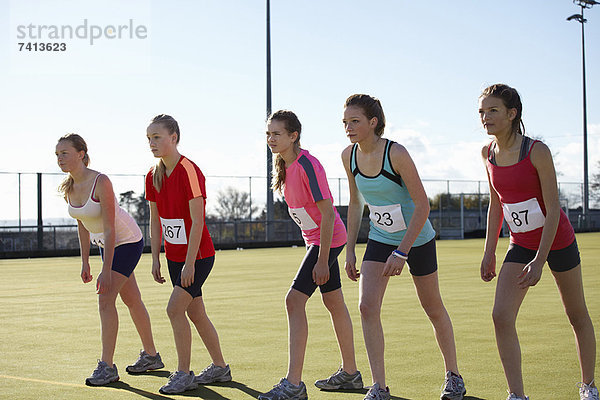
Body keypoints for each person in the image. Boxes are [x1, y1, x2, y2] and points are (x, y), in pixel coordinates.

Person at [341, 94, 466, 400]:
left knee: (432, 306)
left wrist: (403, 252)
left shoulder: (396, 153)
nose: (348, 127)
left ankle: (454, 376)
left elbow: (423, 205)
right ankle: (379, 386)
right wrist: (350, 250)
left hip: (417, 238)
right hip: (381, 237)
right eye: (344, 122)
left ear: (373, 122)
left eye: (354, 121)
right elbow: (356, 204)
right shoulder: (348, 156)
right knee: (366, 306)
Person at [479, 84, 597, 400]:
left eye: (493, 111)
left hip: (556, 241)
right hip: (520, 244)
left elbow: (554, 208)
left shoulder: (536, 151)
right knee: (500, 316)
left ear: (512, 113)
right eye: (482, 112)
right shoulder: (487, 153)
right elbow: (496, 204)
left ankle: (588, 386)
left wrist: (540, 260)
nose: (485, 118)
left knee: (576, 314)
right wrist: (489, 251)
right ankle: (516, 394)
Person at [259, 110, 363, 400]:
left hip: (328, 241)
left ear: (293, 136)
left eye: (276, 134)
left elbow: (329, 216)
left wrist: (322, 259)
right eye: (268, 134)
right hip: (316, 242)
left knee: (293, 300)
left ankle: (293, 385)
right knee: (334, 302)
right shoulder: (284, 165)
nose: (271, 139)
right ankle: (351, 374)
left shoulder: (308, 165)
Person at [56, 133, 163, 386]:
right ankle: (151, 355)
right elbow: (82, 224)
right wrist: (85, 261)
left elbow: (111, 229)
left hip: (126, 241)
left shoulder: (101, 181)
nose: (60, 159)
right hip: (105, 245)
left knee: (105, 299)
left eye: (65, 153)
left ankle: (107, 367)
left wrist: (106, 269)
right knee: (131, 298)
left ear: (81, 154)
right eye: (57, 154)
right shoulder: (68, 187)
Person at [145, 114, 231, 395]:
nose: (152, 143)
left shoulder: (189, 171)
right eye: (149, 138)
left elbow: (197, 222)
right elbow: (155, 220)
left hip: (199, 256)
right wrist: (156, 257)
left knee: (174, 309)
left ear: (174, 137)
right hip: (173, 258)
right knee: (196, 313)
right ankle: (220, 367)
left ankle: (183, 373)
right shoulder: (152, 175)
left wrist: (190, 262)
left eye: (157, 137)